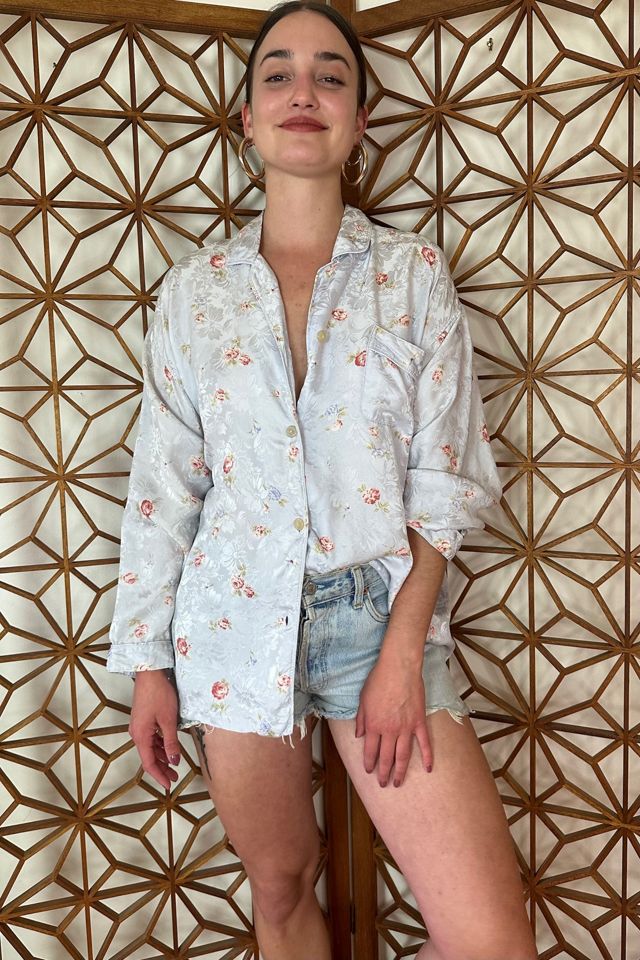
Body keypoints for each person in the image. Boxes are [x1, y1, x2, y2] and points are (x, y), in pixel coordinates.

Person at [106, 2, 538, 958]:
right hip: (230, 622)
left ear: (360, 119)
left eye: (331, 75)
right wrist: (148, 667)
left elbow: (445, 479)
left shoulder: (413, 274)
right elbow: (165, 489)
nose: (304, 91)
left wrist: (402, 651)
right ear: (247, 118)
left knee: (490, 941)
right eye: (278, 75)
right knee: (281, 888)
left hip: (378, 619)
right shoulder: (194, 292)